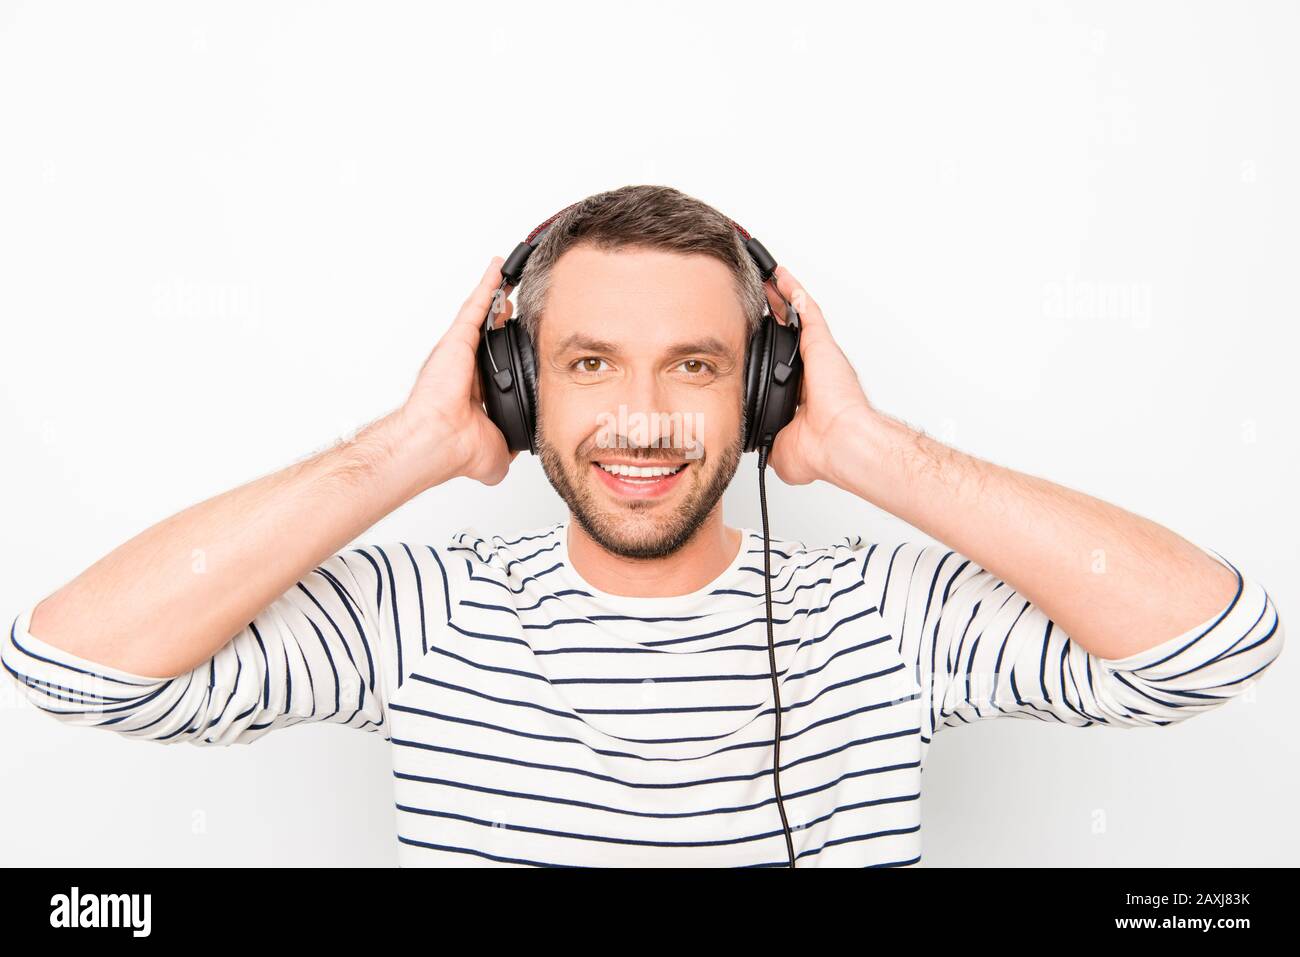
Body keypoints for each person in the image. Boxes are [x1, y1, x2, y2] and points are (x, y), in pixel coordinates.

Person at [3, 185, 1284, 867]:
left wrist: (864, 448)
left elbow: (1212, 648)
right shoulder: (419, 611)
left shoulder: (888, 615)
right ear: (515, 386)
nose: (642, 421)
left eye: (692, 365)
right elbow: (70, 664)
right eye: (590, 364)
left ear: (763, 383)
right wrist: (413, 448)